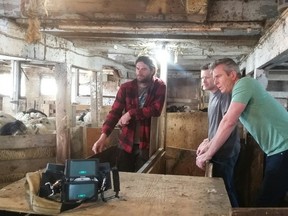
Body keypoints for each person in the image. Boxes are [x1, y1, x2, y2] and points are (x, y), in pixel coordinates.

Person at [196, 58, 288, 207]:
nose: (216, 81)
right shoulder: (237, 92)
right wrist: (209, 142)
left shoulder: (244, 84)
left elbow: (229, 122)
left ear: (232, 75)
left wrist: (208, 154)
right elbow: (225, 122)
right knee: (272, 198)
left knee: (266, 203)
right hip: (277, 150)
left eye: (218, 76)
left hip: (284, 148)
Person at [92, 55, 166, 172]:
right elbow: (114, 113)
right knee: (123, 176)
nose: (139, 72)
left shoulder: (159, 86)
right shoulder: (126, 88)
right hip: (126, 141)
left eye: (144, 69)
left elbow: (155, 110)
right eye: (137, 68)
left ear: (152, 70)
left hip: (146, 143)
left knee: (142, 178)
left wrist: (131, 113)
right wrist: (103, 137)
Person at [197, 63, 240, 207]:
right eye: (202, 78)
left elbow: (228, 125)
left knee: (225, 190)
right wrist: (207, 141)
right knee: (222, 189)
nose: (204, 81)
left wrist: (209, 150)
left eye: (208, 77)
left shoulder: (225, 96)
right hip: (218, 149)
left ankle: (234, 211)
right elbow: (216, 126)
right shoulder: (213, 96)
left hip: (225, 150)